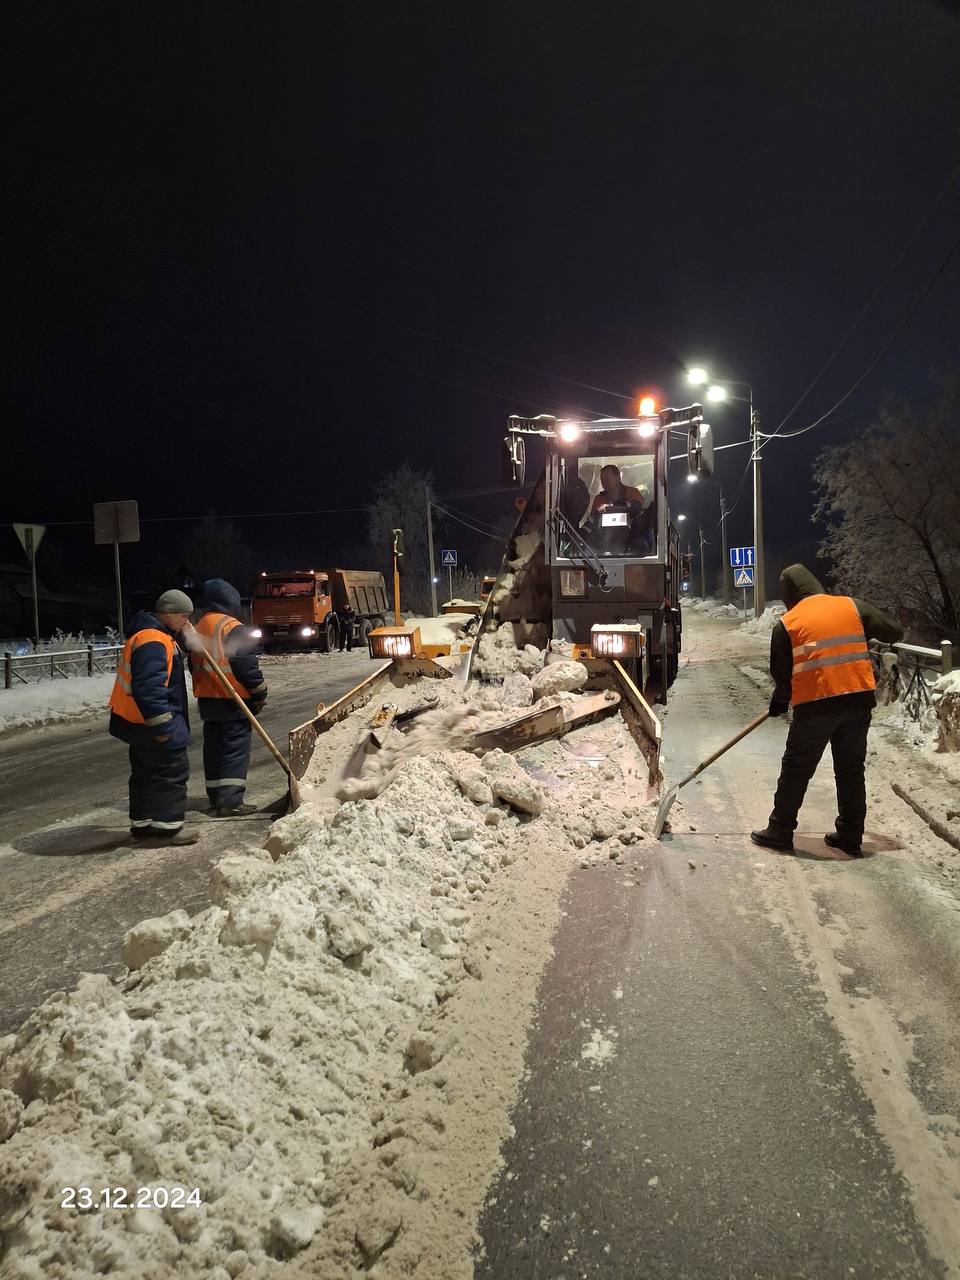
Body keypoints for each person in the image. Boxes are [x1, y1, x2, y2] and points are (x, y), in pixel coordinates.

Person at [751, 564, 903, 857]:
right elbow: (893, 631)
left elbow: (782, 674)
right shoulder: (851, 606)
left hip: (816, 707)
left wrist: (781, 700)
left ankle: (780, 830)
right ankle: (850, 834)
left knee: (796, 768)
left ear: (788, 595)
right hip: (858, 701)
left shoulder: (787, 623)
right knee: (850, 769)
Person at [108, 589, 198, 845]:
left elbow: (171, 661)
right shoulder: (154, 640)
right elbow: (149, 688)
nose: (187, 622)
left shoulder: (152, 635)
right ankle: (169, 827)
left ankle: (143, 824)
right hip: (155, 721)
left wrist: (187, 640)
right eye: (184, 617)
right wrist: (163, 726)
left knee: (144, 773)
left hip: (137, 722)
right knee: (171, 771)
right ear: (168, 614)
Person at [189, 578, 268, 816]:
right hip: (232, 698)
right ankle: (231, 801)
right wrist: (259, 692)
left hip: (208, 698)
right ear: (230, 603)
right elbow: (245, 664)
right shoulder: (231, 626)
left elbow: (193, 663)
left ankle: (216, 796)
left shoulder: (200, 625)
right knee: (234, 749)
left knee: (214, 749)